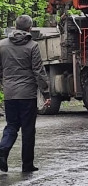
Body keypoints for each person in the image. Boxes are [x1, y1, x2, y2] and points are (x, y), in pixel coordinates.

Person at [0, 15, 51, 173]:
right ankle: (27, 165)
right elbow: (38, 71)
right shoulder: (32, 46)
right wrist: (46, 93)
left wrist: (4, 84)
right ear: (29, 28)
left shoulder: (2, 45)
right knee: (28, 130)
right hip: (27, 94)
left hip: (9, 93)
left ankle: (2, 150)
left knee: (12, 125)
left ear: (15, 27)